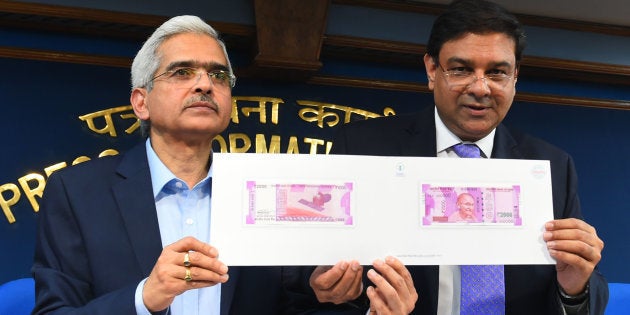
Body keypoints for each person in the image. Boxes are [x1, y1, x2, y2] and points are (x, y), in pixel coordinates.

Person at [303, 0, 608, 314]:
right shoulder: (362, 148)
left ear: (515, 76)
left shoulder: (553, 166)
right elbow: (313, 281)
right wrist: (340, 291)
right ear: (432, 70)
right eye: (462, 69)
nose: (480, 88)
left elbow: (585, 296)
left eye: (497, 72)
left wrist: (574, 287)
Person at [32, 15, 287, 314]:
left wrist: (325, 291)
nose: (205, 84)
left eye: (218, 75)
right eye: (182, 72)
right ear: (142, 102)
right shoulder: (77, 193)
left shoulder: (263, 190)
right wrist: (144, 298)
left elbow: (294, 301)